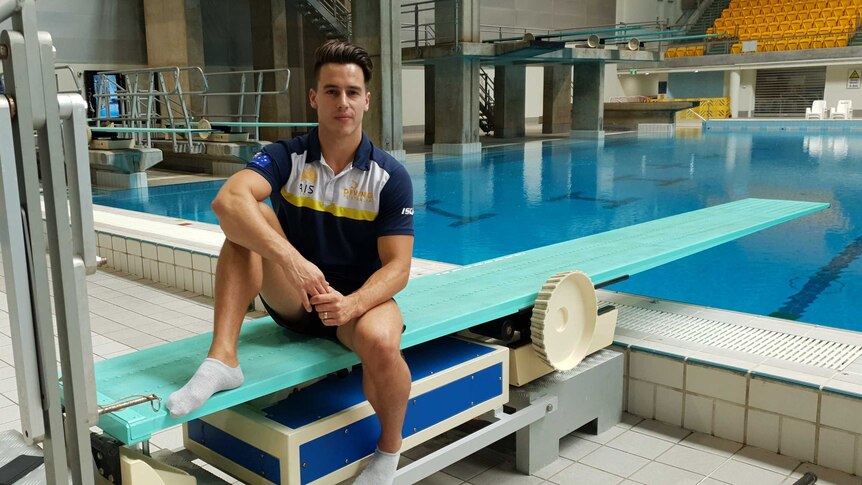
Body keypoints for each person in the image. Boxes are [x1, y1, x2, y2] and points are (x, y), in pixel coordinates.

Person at [166, 40, 414, 485]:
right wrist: (294, 262)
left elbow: (398, 267)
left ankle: (389, 451)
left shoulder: (389, 177)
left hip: (353, 305)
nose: (343, 102)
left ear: (367, 100)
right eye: (332, 91)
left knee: (380, 341)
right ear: (315, 98)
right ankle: (223, 360)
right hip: (295, 295)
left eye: (353, 92)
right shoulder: (288, 156)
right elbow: (227, 201)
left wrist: (353, 305)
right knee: (245, 218)